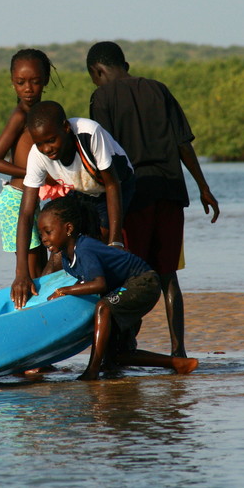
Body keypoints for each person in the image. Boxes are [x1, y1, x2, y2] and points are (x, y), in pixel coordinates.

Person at [87, 41, 220, 359]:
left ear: (98, 72)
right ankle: (179, 351)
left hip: (133, 198)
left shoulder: (102, 98)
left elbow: (102, 158)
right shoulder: (160, 90)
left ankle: (122, 346)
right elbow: (183, 144)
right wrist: (203, 186)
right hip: (172, 194)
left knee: (128, 275)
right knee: (167, 275)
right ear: (126, 65)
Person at [38, 196, 198, 379]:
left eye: (48, 232)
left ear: (68, 228)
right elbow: (84, 282)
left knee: (103, 307)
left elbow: (99, 284)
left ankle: (92, 370)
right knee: (118, 355)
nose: (43, 238)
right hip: (124, 288)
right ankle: (179, 363)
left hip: (142, 282)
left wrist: (63, 291)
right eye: (41, 233)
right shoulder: (67, 259)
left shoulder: (84, 249)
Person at [9, 100, 135, 309]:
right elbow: (26, 213)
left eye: (51, 140)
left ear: (66, 128)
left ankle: (97, 295)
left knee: (93, 245)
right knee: (59, 250)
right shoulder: (37, 154)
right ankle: (40, 306)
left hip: (115, 186)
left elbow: (113, 185)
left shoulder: (89, 134)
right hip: (83, 191)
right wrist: (21, 273)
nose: (46, 149)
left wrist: (115, 242)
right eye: (40, 143)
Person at [0, 48, 56, 279]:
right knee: (31, 271)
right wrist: (33, 174)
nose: (28, 89)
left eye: (35, 82)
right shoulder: (20, 115)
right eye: (21, 82)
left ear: (45, 80)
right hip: (16, 200)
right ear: (12, 83)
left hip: (30, 199)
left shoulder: (41, 114)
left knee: (42, 265)